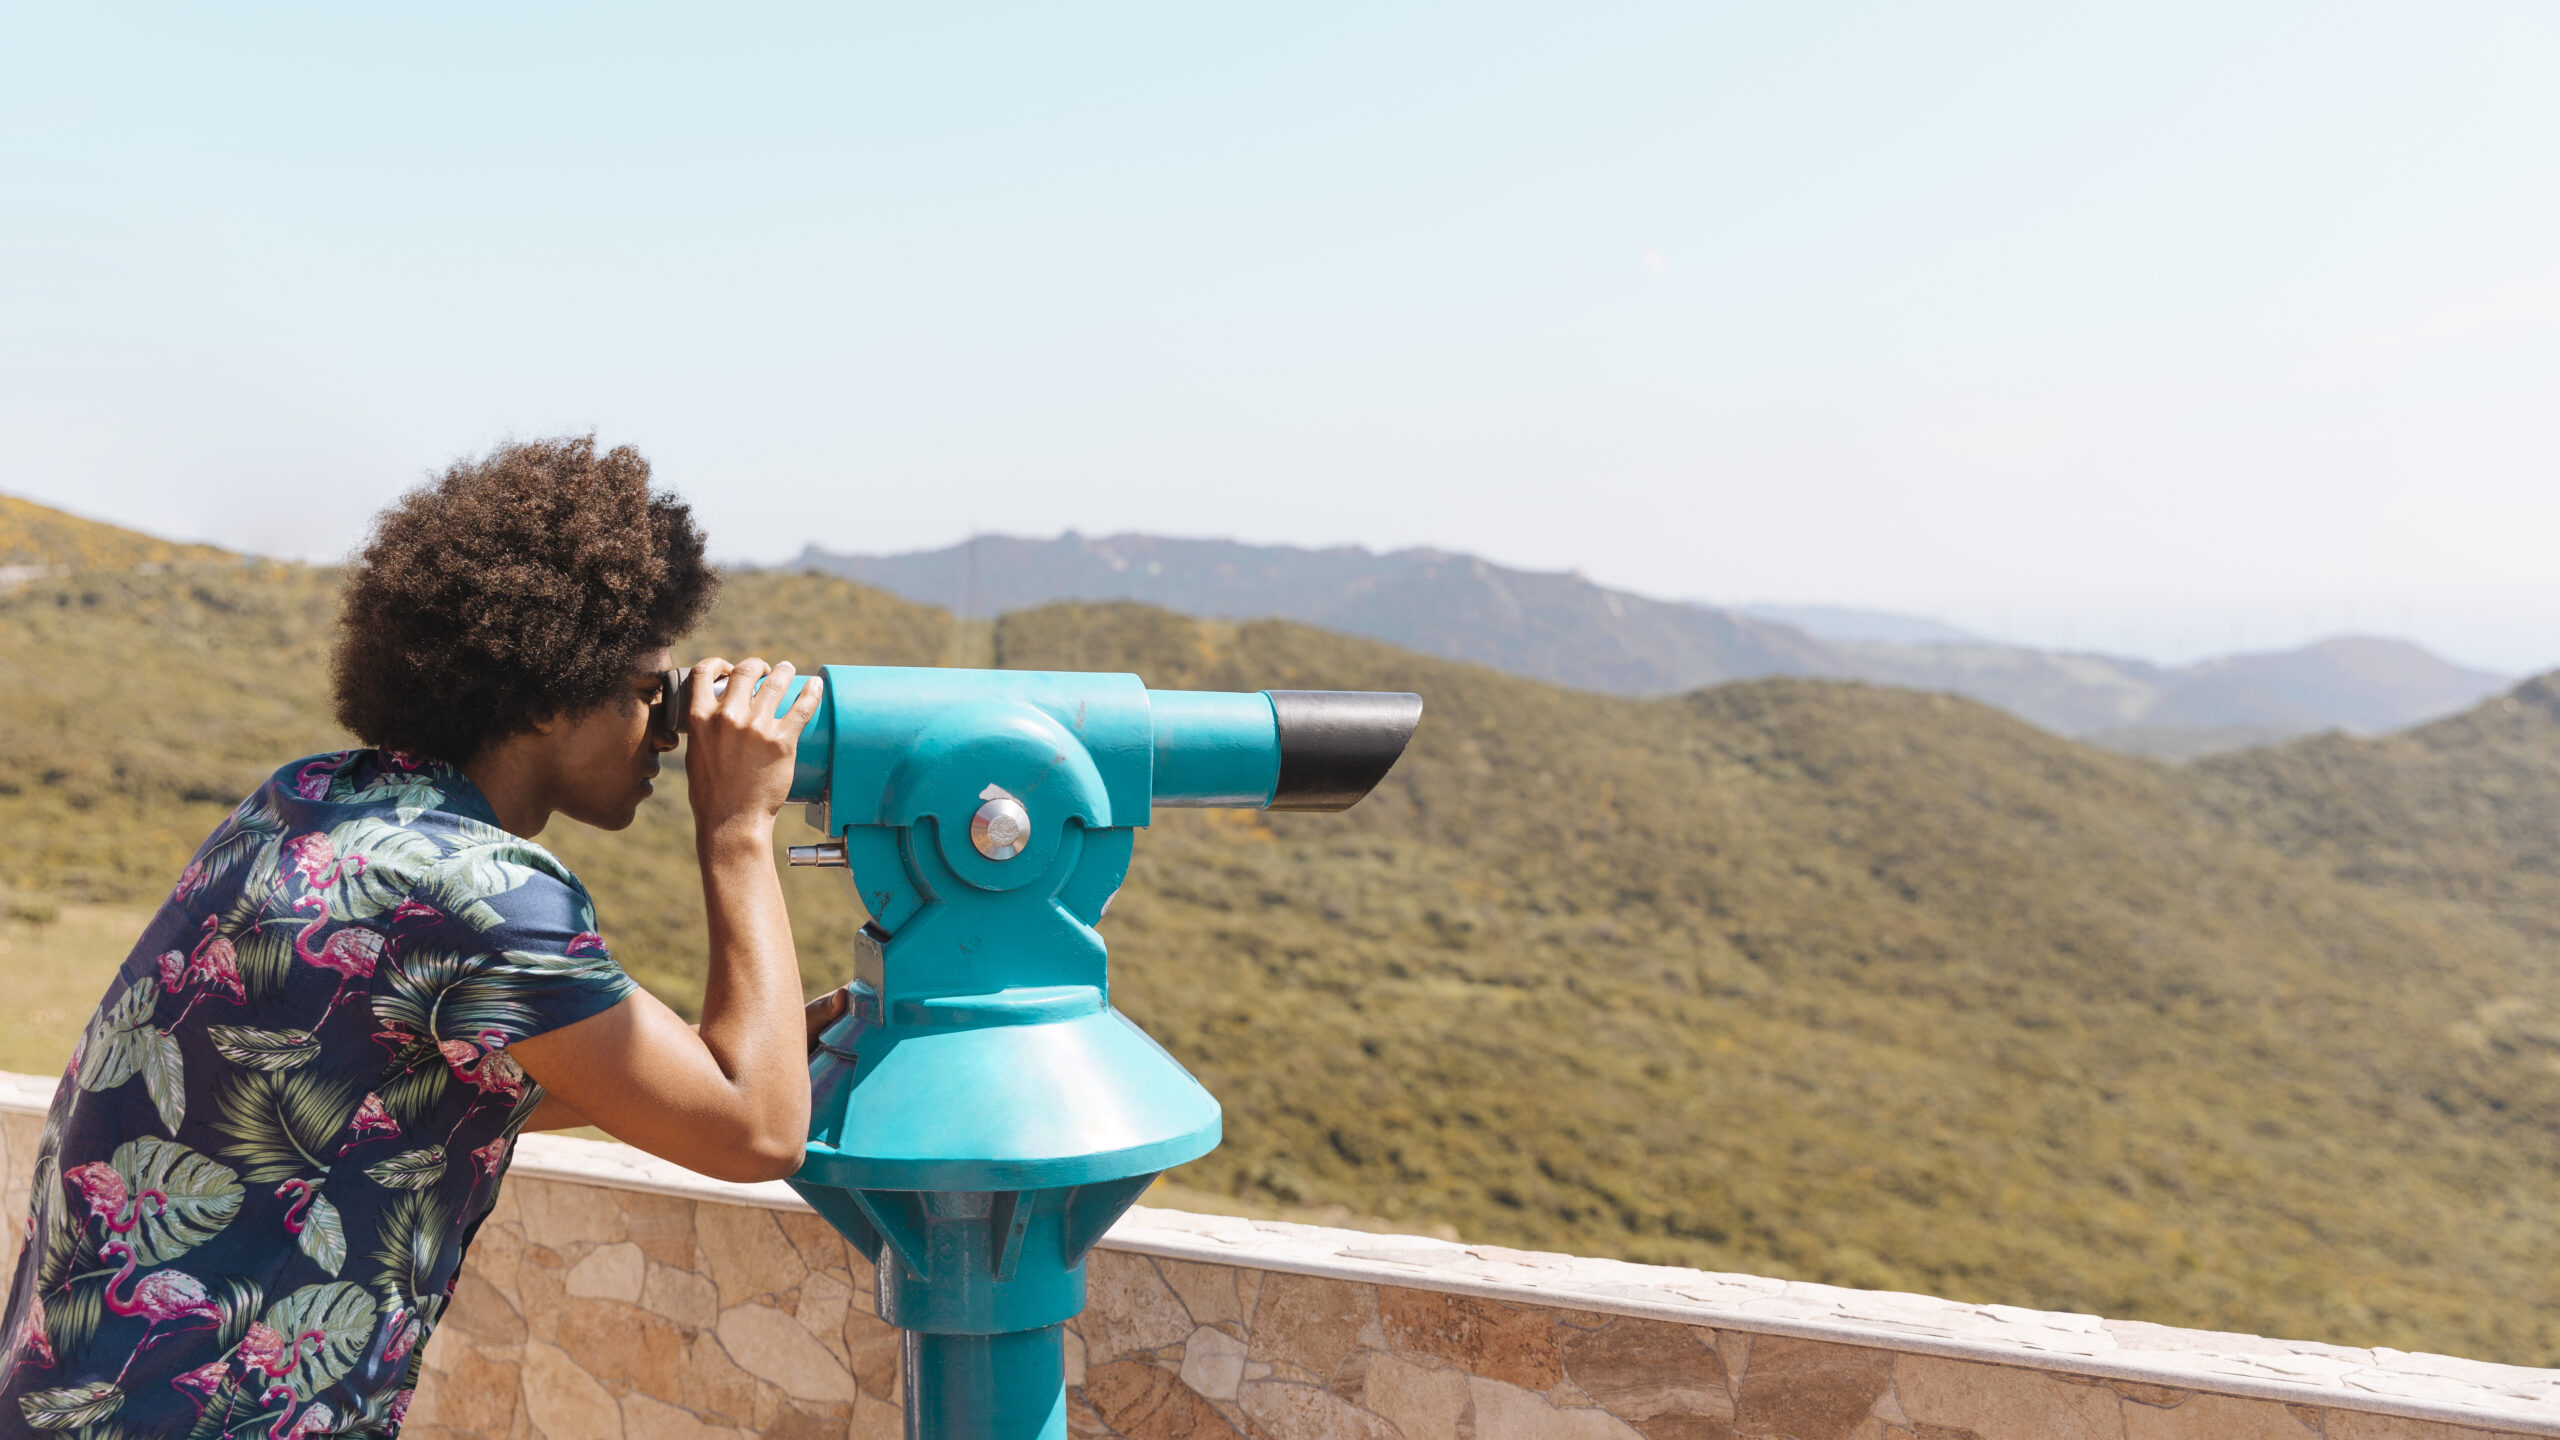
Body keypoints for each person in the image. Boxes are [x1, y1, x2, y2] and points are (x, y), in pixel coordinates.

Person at [0, 437, 838, 1437]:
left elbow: (376, 1105)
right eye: (649, 692)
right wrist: (737, 826)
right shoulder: (478, 891)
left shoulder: (305, 803)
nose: (667, 732)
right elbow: (757, 1135)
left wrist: (696, 1065)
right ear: (546, 692)